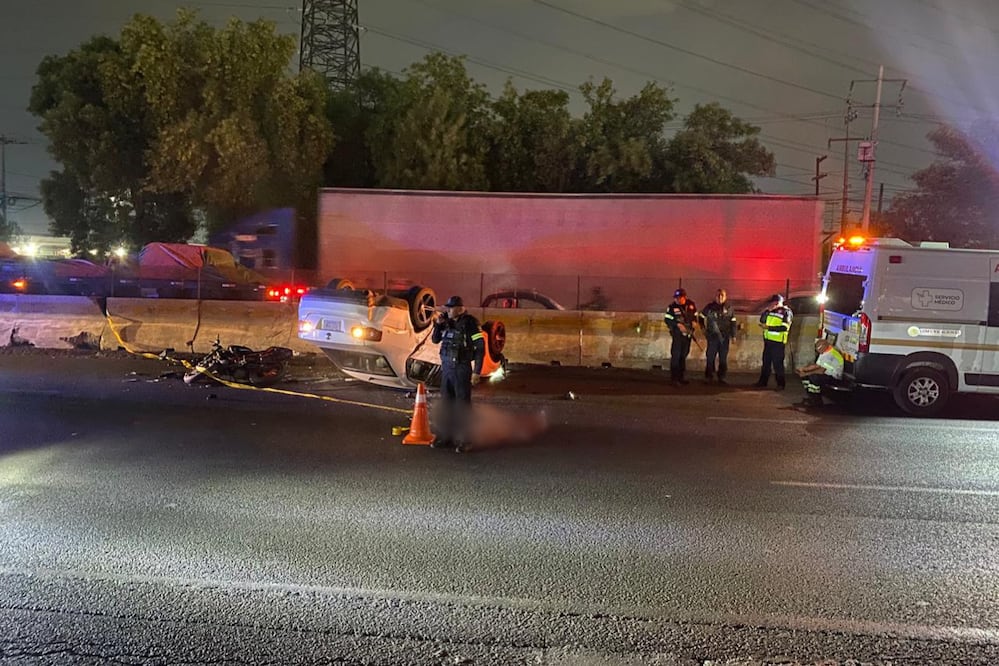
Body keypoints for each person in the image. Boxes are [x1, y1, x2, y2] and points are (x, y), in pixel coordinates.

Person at [430, 295, 485, 453]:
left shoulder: (470, 323)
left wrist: (477, 372)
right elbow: (435, 340)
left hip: (461, 368)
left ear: (460, 308)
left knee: (462, 404)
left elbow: (480, 348)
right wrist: (438, 326)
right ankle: (445, 436)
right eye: (447, 308)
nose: (447, 311)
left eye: (450, 308)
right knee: (446, 403)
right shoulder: (446, 323)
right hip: (447, 368)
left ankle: (466, 440)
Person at [754, 293, 793, 390]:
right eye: (772, 303)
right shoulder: (770, 311)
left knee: (777, 364)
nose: (773, 305)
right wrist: (767, 311)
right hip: (768, 341)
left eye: (775, 303)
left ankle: (780, 384)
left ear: (779, 302)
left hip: (778, 343)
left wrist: (769, 328)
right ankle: (763, 382)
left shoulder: (786, 312)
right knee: (766, 363)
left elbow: (784, 327)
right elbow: (762, 320)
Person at [698, 288, 738, 384]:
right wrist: (703, 328)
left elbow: (733, 323)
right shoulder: (709, 307)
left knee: (723, 358)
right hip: (712, 336)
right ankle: (709, 376)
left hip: (724, 337)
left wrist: (733, 335)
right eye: (718, 295)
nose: (720, 297)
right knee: (710, 357)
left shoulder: (729, 308)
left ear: (725, 297)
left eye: (722, 295)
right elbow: (701, 317)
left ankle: (722, 377)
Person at [663, 287, 698, 386]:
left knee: (683, 356)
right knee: (676, 356)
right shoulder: (672, 307)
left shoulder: (691, 305)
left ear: (685, 297)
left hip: (687, 335)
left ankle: (681, 377)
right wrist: (677, 324)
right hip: (677, 335)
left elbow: (695, 315)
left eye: (680, 298)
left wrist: (695, 322)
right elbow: (667, 319)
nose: (678, 300)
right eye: (676, 298)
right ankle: (674, 379)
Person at [794, 338, 845, 408]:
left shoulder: (830, 355)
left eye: (818, 349)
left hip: (833, 376)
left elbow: (821, 370)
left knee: (814, 378)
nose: (817, 351)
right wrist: (803, 369)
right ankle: (812, 397)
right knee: (806, 377)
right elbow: (817, 365)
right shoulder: (825, 351)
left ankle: (817, 401)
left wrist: (806, 373)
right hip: (826, 373)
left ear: (824, 346)